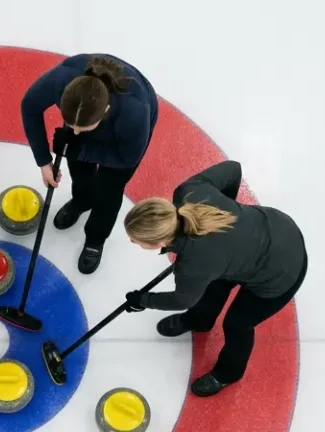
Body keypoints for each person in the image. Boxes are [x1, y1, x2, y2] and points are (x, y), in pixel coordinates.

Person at [121, 160, 307, 397]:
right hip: (274, 227)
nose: (133, 243)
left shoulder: (195, 264)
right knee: (214, 283)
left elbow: (182, 300)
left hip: (281, 270)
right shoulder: (189, 191)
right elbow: (233, 169)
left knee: (237, 323)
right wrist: (228, 213)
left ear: (160, 242)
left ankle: (227, 373)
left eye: (136, 241)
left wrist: (143, 300)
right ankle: (200, 320)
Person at [20, 53, 158, 274]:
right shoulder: (62, 79)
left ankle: (95, 238)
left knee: (109, 189)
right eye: (69, 123)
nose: (74, 131)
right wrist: (44, 161)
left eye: (81, 128)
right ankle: (81, 200)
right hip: (87, 113)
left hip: (123, 142)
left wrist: (81, 149)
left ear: (104, 111)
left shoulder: (134, 112)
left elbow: (127, 158)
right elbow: (29, 106)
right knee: (77, 164)